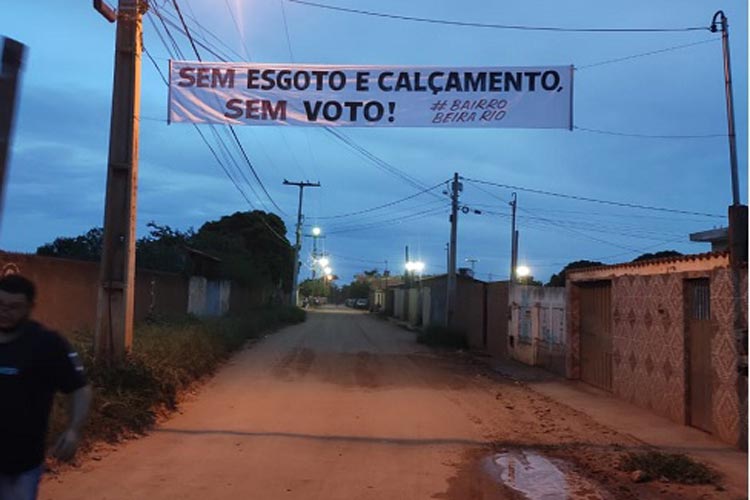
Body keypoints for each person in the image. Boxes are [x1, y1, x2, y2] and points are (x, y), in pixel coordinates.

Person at [0, 274, 92, 500]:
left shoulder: (47, 344)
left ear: (30, 307)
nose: (5, 312)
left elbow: (80, 388)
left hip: (21, 464)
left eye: (14, 307)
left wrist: (73, 430)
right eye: (0, 304)